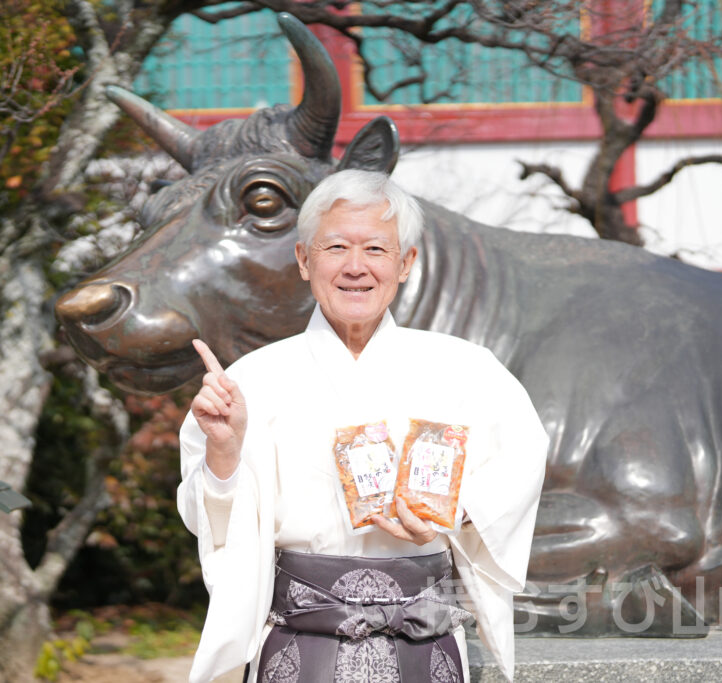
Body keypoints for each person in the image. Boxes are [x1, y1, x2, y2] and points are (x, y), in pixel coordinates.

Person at [178, 169, 548, 682]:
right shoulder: (250, 381)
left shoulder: (468, 369)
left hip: (425, 636)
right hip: (301, 640)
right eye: (335, 248)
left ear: (406, 264)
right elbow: (210, 521)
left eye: (375, 249)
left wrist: (458, 512)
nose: (356, 267)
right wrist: (223, 453)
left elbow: (522, 460)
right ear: (305, 260)